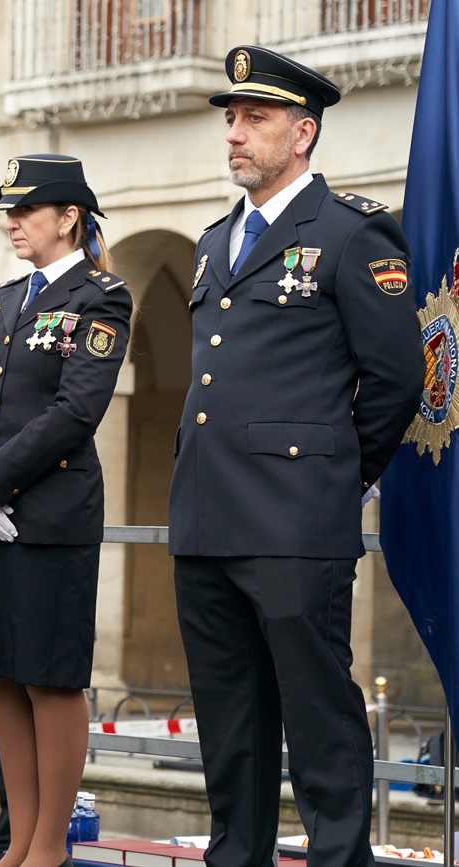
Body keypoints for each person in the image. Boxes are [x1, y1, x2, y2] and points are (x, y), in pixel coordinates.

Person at [167, 46, 424, 866]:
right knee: (229, 725)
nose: (236, 134)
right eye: (232, 120)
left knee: (317, 719)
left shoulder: (351, 232)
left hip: (294, 520)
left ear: (303, 132)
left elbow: (394, 377)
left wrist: (333, 478)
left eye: (257, 119)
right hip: (207, 518)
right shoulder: (214, 242)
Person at [0, 155, 131, 867]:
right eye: (8, 212)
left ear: (69, 218)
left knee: (50, 677)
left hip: (49, 517)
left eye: (26, 211)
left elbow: (76, 410)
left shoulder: (101, 296)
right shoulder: (0, 300)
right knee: (1, 675)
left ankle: (48, 846)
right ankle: (18, 839)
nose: (12, 223)